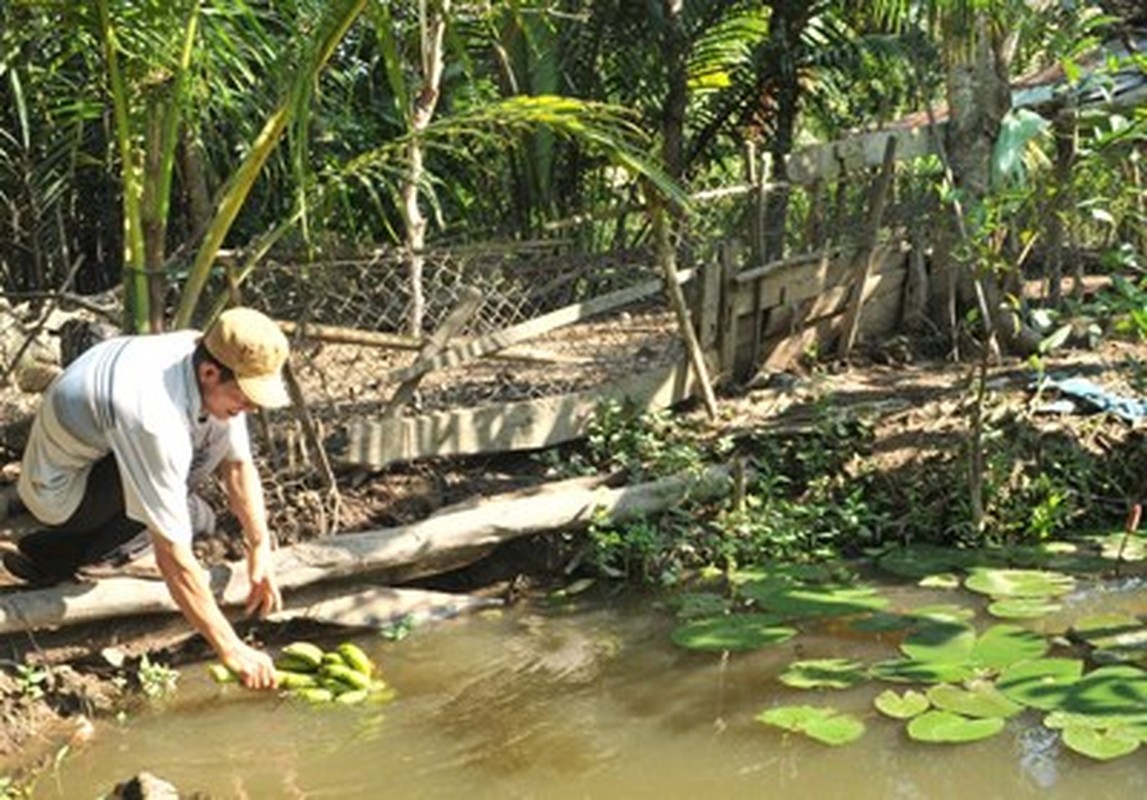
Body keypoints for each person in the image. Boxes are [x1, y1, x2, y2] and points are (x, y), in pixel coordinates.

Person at [0, 306, 291, 690]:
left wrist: (261, 549)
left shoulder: (203, 353)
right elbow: (172, 553)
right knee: (179, 524)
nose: (252, 408)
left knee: (200, 517)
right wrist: (231, 648)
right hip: (58, 493)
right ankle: (106, 557)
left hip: (97, 463)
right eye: (248, 397)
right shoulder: (154, 417)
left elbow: (237, 467)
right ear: (209, 373)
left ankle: (51, 554)